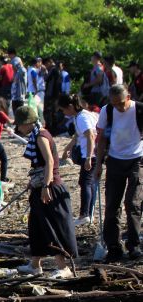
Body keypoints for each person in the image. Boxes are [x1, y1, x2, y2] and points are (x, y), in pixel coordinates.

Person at [12, 106, 78, 278]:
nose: (18, 128)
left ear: (28, 123)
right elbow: (39, 165)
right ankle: (35, 265)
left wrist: (46, 186)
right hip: (40, 185)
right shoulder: (36, 135)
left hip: (50, 187)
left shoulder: (41, 136)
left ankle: (63, 267)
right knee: (36, 226)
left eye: (19, 124)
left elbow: (49, 161)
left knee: (51, 226)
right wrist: (33, 182)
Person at [94, 84, 143, 261]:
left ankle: (134, 245)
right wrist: (98, 164)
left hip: (137, 159)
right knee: (112, 206)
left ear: (128, 97)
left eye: (121, 103)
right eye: (114, 104)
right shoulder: (107, 111)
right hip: (114, 160)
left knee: (133, 203)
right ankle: (114, 246)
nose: (119, 107)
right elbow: (101, 139)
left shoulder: (139, 109)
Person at [59, 94, 98, 226]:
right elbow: (78, 135)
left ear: (70, 106)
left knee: (85, 182)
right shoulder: (80, 116)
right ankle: (89, 214)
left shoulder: (82, 117)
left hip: (91, 155)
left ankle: (84, 214)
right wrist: (68, 148)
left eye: (63, 110)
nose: (63, 113)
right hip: (90, 154)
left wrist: (88, 157)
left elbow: (90, 136)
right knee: (89, 183)